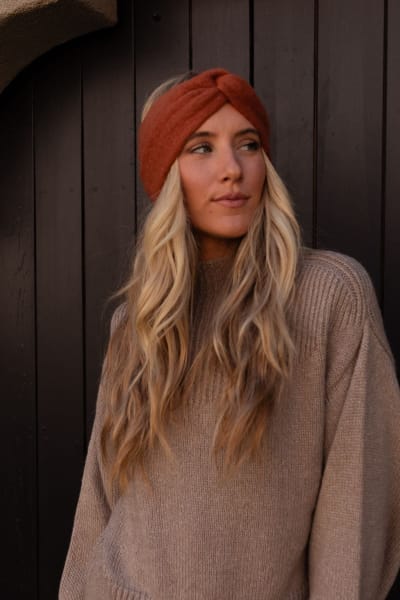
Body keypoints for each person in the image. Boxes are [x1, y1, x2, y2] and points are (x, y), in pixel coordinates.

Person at [59, 68, 400, 600]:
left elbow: (357, 504)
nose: (232, 169)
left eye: (248, 144)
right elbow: (98, 500)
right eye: (201, 148)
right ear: (166, 175)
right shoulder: (136, 320)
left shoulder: (329, 295)